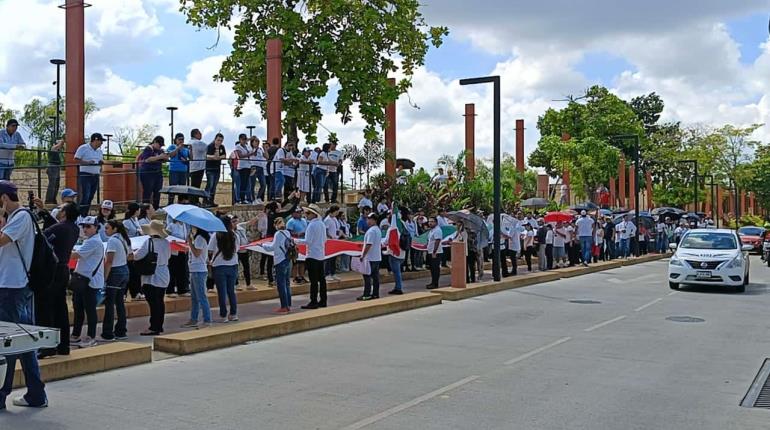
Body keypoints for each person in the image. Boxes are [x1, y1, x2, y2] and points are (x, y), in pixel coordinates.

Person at [0, 180, 48, 408]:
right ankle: (36, 394)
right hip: (15, 286)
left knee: (7, 342)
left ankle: (1, 395)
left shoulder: (20, 217)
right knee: (25, 340)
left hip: (13, 287)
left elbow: (2, 240)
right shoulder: (16, 218)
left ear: (3, 198)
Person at [70, 216, 105, 348]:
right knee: (78, 308)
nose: (85, 229)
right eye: (84, 226)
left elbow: (75, 255)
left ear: (96, 228)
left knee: (89, 310)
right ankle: (76, 334)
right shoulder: (89, 241)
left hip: (89, 282)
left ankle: (91, 336)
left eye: (88, 226)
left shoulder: (93, 242)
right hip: (82, 280)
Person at [134, 220, 172, 335]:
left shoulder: (149, 242)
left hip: (152, 274)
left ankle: (154, 326)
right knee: (160, 301)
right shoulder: (166, 242)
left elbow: (137, 256)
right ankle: (158, 325)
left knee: (153, 303)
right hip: (164, 272)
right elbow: (168, 256)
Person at [101, 220, 131, 341]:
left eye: (107, 228)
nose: (105, 230)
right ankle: (121, 331)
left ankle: (107, 333)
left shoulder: (112, 241)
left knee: (110, 304)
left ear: (114, 229)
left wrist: (104, 278)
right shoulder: (124, 239)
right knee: (119, 302)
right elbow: (130, 255)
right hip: (124, 270)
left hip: (116, 272)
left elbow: (109, 261)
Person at [209, 215, 241, 322]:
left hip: (219, 266)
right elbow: (237, 250)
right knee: (231, 290)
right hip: (232, 265)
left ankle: (223, 315)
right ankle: (233, 313)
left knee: (221, 292)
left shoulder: (216, 235)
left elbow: (210, 249)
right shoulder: (235, 235)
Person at [182, 226, 212, 328]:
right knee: (194, 298)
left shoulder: (199, 238)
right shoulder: (198, 238)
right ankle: (193, 319)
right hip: (195, 269)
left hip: (198, 270)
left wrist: (190, 242)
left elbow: (197, 253)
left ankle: (207, 319)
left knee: (201, 296)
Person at [261, 217, 293, 313]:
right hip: (288, 260)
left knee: (281, 284)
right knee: (287, 283)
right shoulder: (288, 233)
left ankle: (284, 306)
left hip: (280, 261)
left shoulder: (278, 234)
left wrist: (263, 245)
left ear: (276, 225)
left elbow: (272, 247)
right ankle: (288, 304)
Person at [301, 204, 327, 309]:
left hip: (312, 255)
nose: (305, 215)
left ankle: (313, 301)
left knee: (314, 281)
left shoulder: (311, 225)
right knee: (322, 279)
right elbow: (325, 240)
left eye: (307, 213)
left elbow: (307, 241)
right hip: (321, 255)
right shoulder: (321, 224)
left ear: (313, 214)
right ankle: (323, 300)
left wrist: (295, 240)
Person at [74, 133, 105, 216]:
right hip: (85, 174)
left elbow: (100, 161)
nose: (101, 143)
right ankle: (80, 214)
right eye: (100, 141)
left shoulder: (99, 151)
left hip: (95, 175)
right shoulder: (83, 148)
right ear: (95, 140)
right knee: (85, 195)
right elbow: (76, 159)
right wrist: (87, 163)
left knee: (90, 196)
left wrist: (100, 163)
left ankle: (84, 213)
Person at [138, 136, 169, 210]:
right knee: (147, 191)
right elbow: (147, 159)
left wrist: (164, 157)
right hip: (148, 172)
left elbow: (166, 158)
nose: (160, 146)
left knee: (157, 191)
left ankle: (156, 207)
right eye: (159, 144)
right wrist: (159, 157)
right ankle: (145, 208)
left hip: (157, 173)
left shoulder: (160, 150)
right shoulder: (148, 149)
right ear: (155, 142)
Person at [358, 213, 382, 300]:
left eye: (369, 219)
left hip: (370, 257)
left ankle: (367, 294)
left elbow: (368, 244)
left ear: (374, 220)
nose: (368, 220)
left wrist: (363, 255)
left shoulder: (371, 231)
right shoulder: (377, 230)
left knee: (367, 276)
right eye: (367, 219)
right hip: (377, 257)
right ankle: (375, 293)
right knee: (375, 277)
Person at [165, 218, 190, 297]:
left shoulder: (185, 226)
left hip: (183, 250)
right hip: (174, 251)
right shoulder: (171, 225)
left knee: (182, 270)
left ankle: (182, 289)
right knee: (172, 270)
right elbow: (166, 236)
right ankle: (170, 290)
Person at [166, 133, 190, 204]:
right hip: (174, 170)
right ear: (175, 140)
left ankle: (181, 202)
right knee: (172, 188)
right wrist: (178, 148)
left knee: (182, 189)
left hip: (183, 171)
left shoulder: (185, 149)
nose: (181, 141)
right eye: (179, 139)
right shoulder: (172, 146)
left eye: (182, 139)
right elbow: (170, 155)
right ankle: (170, 203)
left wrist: (191, 150)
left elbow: (191, 158)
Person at [232, 214, 254, 290]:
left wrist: (257, 217)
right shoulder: (230, 231)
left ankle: (248, 284)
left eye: (236, 221)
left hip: (244, 251)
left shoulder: (241, 226)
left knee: (246, 268)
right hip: (236, 252)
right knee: (235, 268)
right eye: (233, 221)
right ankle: (236, 284)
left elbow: (250, 222)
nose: (235, 223)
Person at [286, 208, 308, 284]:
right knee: (295, 262)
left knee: (302, 262)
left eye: (300, 212)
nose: (299, 214)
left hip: (303, 243)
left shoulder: (304, 220)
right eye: (297, 212)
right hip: (295, 243)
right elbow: (288, 232)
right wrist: (297, 234)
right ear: (293, 213)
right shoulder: (290, 222)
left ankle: (301, 276)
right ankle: (295, 277)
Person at [205, 133, 226, 207]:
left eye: (221, 140)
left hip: (217, 168)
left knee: (214, 185)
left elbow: (224, 156)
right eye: (218, 140)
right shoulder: (210, 146)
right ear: (215, 139)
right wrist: (214, 157)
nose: (219, 142)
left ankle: (211, 201)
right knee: (209, 184)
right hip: (210, 168)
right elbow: (207, 156)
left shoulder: (222, 147)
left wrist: (217, 157)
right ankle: (205, 200)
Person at [188, 129, 207, 204]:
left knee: (193, 184)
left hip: (191, 166)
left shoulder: (189, 142)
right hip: (198, 166)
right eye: (199, 133)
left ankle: (194, 200)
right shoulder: (198, 143)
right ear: (196, 134)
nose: (201, 134)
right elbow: (207, 147)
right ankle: (194, 201)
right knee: (196, 185)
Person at [324, 206, 343, 281]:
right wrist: (330, 236)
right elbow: (325, 230)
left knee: (334, 258)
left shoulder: (335, 219)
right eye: (337, 211)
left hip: (335, 240)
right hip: (329, 241)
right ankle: (327, 273)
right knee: (329, 258)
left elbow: (336, 229)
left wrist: (339, 234)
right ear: (334, 211)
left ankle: (333, 273)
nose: (338, 213)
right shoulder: (327, 219)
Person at [233, 133, 253, 204]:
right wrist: (250, 154)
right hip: (242, 167)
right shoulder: (237, 147)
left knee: (245, 183)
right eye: (243, 139)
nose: (244, 141)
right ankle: (239, 198)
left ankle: (243, 198)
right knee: (241, 183)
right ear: (240, 140)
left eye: (245, 139)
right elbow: (240, 156)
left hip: (248, 166)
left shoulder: (247, 146)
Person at [425, 216, 443, 289]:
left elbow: (437, 241)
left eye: (432, 221)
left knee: (435, 268)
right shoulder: (431, 230)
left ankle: (435, 283)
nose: (430, 223)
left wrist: (434, 252)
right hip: (430, 251)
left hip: (436, 252)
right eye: (429, 221)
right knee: (432, 268)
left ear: (436, 222)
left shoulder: (437, 230)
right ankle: (433, 282)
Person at [45, 137, 64, 203]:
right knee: (52, 184)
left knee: (56, 184)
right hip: (53, 166)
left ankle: (53, 199)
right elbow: (60, 144)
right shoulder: (53, 148)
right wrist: (61, 141)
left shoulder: (56, 149)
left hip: (56, 166)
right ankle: (49, 200)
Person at [250, 137, 266, 203]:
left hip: (260, 167)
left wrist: (265, 149)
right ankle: (253, 199)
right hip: (253, 167)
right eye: (256, 141)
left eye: (258, 141)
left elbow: (267, 157)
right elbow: (254, 154)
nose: (257, 143)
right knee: (252, 184)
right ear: (252, 142)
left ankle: (258, 197)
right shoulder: (250, 148)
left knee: (263, 184)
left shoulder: (260, 149)